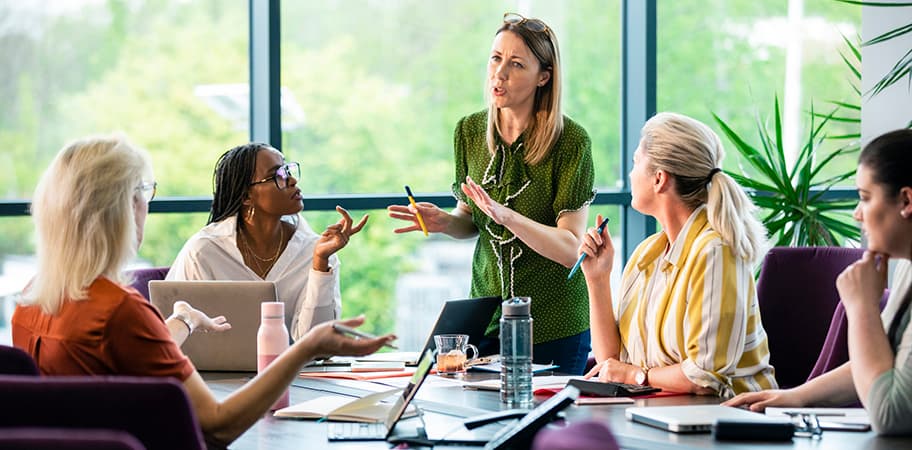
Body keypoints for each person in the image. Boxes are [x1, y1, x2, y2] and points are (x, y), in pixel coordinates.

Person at [11, 134, 395, 447]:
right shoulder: (120, 312)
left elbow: (131, 361)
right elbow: (217, 426)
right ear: (121, 209)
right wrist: (308, 347)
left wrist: (182, 320)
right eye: (144, 192)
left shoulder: (29, 304)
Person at [388, 13, 595, 374]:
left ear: (543, 77)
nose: (499, 73)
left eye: (516, 64)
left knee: (547, 429)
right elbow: (470, 220)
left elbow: (570, 249)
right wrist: (446, 222)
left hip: (553, 324)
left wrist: (508, 216)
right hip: (488, 320)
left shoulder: (571, 143)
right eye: (496, 58)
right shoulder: (468, 132)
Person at [725, 129, 912, 435]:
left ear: (905, 200)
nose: (857, 215)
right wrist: (794, 397)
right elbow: (880, 366)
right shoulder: (907, 268)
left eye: (865, 198)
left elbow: (890, 415)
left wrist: (862, 307)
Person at [579, 112, 777, 396]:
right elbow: (611, 360)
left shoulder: (715, 253)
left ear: (659, 179)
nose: (630, 173)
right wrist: (598, 279)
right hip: (660, 413)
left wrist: (638, 376)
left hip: (727, 421)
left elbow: (703, 377)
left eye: (635, 163)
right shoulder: (648, 253)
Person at [167, 143, 368, 341]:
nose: (291, 180)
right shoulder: (204, 251)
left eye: (288, 170)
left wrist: (320, 263)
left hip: (298, 373)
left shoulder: (316, 249)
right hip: (216, 374)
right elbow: (182, 338)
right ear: (246, 196)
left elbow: (318, 343)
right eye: (278, 175)